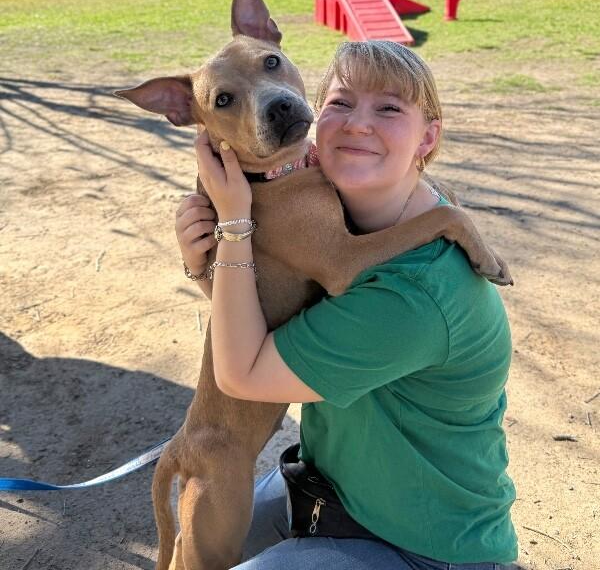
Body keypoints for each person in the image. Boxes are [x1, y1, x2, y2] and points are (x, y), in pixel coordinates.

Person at [175, 41, 517, 570]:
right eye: (340, 103)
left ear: (428, 136)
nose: (358, 124)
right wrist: (202, 265)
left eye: (389, 108)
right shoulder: (338, 211)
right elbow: (269, 311)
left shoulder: (412, 294)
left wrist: (236, 224)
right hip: (331, 490)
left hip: (420, 544)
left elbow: (244, 373)